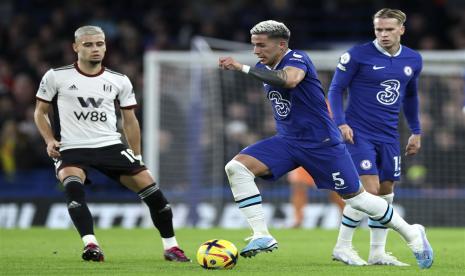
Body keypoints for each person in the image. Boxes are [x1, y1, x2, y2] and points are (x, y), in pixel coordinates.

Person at [218, 20, 433, 269]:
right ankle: (261, 234)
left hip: (322, 144)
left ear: (281, 44)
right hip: (288, 141)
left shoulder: (297, 59)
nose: (256, 51)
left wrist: (242, 67)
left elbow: (290, 81)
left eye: (261, 46)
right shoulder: (264, 66)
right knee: (236, 167)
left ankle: (412, 233)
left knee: (359, 200)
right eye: (253, 46)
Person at [33, 26, 190, 262]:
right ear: (75, 47)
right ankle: (91, 245)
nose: (95, 49)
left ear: (105, 46)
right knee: (74, 189)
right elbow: (40, 112)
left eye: (99, 44)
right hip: (71, 147)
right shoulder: (57, 76)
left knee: (157, 198)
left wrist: (136, 155)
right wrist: (49, 140)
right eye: (88, 45)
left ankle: (171, 248)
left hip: (109, 145)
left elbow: (130, 120)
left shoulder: (119, 80)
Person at [328, 8, 423, 266]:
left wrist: (416, 130)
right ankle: (343, 247)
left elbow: (411, 96)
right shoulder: (357, 55)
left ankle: (377, 252)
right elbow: (336, 89)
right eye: (379, 29)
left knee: (385, 192)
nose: (383, 34)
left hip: (389, 135)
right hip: (358, 134)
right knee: (368, 192)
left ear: (401, 29)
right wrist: (341, 122)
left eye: (389, 29)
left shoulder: (413, 59)